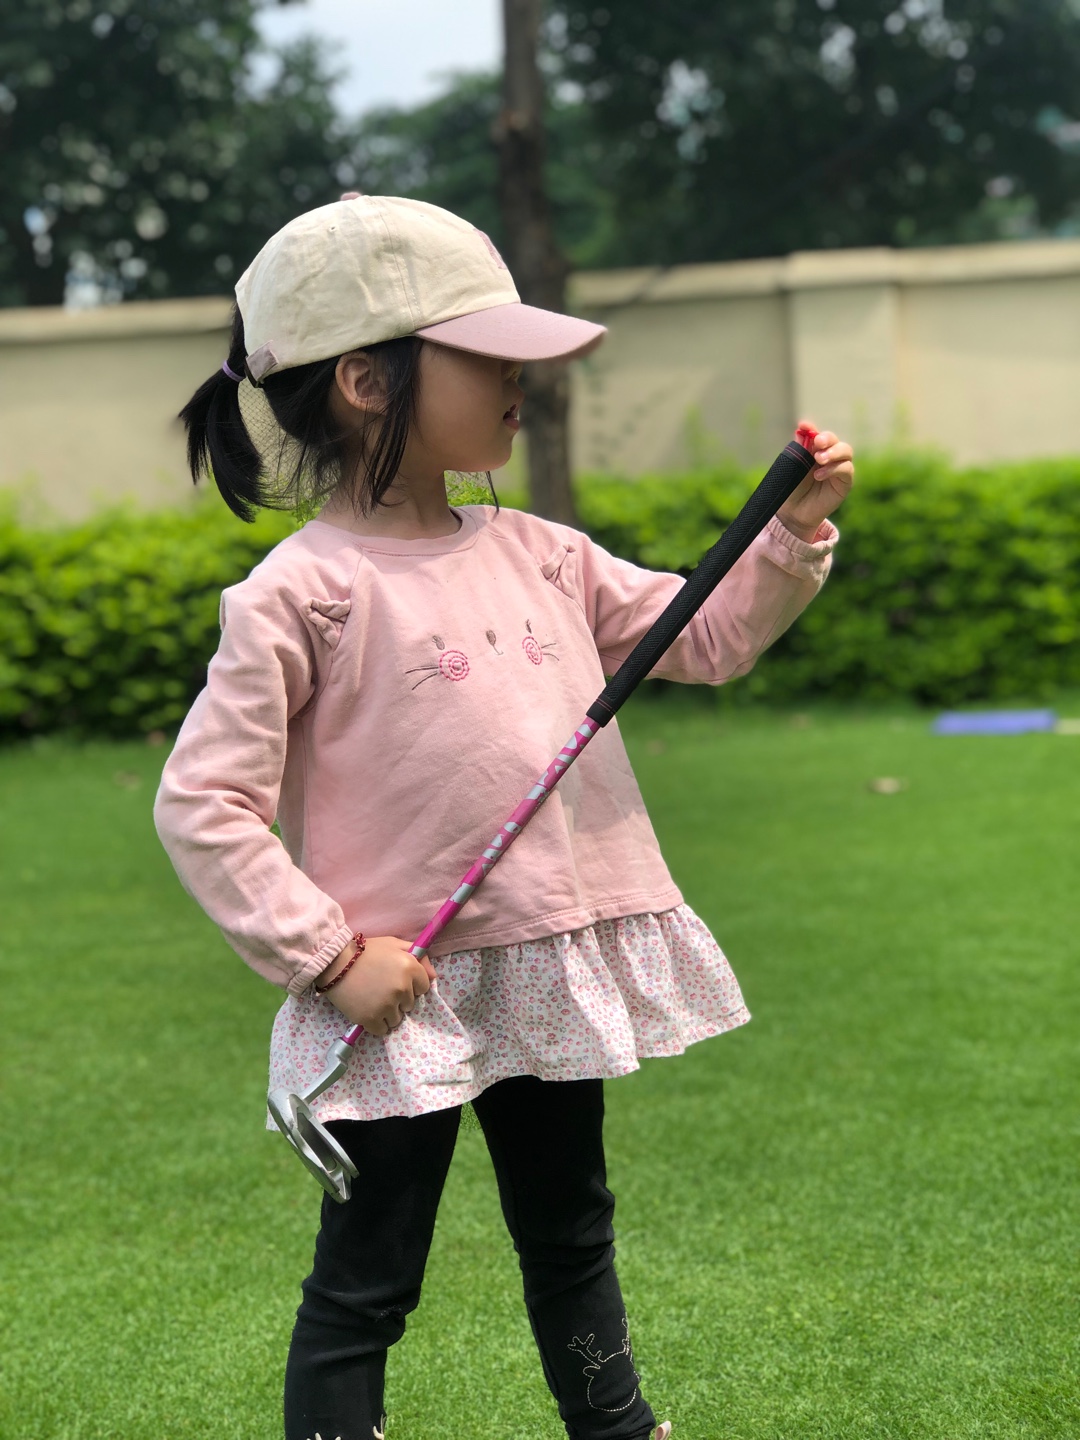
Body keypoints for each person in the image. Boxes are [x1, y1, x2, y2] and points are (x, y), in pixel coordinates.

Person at [155, 194, 854, 1440]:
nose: (524, 383)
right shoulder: (300, 593)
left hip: (547, 966)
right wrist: (329, 956)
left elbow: (705, 639)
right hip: (399, 996)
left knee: (572, 1232)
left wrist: (789, 534)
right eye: (489, 358)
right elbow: (204, 802)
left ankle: (617, 1427)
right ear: (366, 382)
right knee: (369, 1280)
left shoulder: (542, 552)